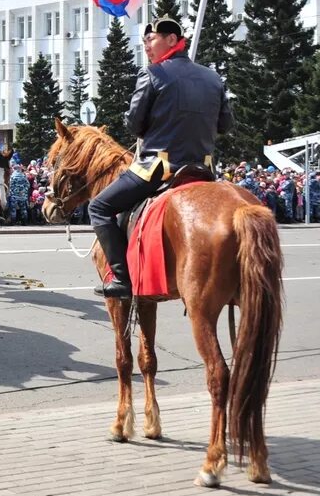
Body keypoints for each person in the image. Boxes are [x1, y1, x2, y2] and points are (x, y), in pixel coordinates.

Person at [88, 16, 233, 299]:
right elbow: (226, 125)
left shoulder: (152, 74)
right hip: (203, 170)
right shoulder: (213, 78)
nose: (146, 46)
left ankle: (121, 278)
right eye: (144, 41)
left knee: (99, 207)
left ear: (171, 39)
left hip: (158, 168)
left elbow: (134, 125)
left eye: (151, 39)